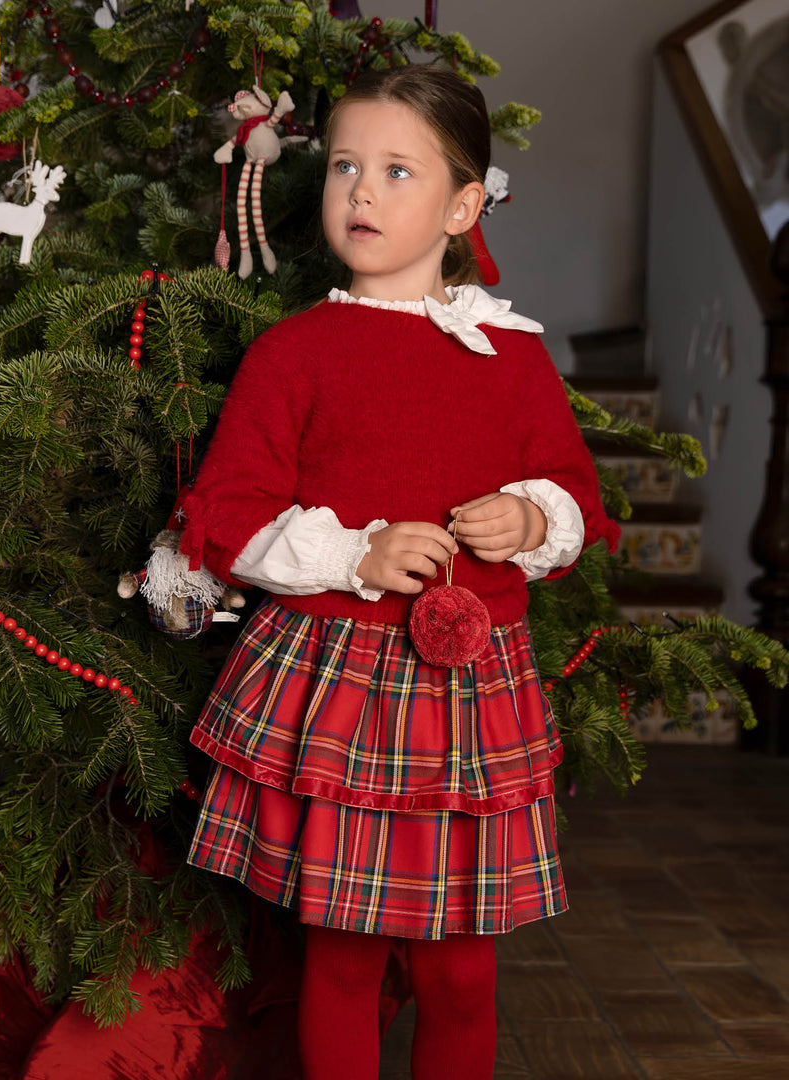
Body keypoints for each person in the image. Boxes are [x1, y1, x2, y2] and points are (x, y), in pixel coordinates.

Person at [179, 64, 620, 1080]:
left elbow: (575, 499)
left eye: (394, 170)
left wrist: (529, 514)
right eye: (343, 166)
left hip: (473, 693)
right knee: (344, 959)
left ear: (464, 205)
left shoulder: (510, 357)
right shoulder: (295, 353)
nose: (361, 193)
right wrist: (355, 552)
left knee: (461, 974)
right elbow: (225, 517)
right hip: (340, 685)